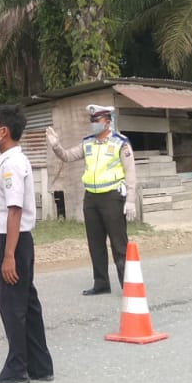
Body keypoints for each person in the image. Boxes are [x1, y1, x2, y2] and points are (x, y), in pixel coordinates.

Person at [0, 104, 53, 383]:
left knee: (13, 307)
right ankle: (40, 365)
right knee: (27, 304)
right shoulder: (12, 161)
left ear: (3, 131)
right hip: (13, 239)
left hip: (16, 241)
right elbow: (5, 215)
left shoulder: (11, 164)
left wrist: (8, 254)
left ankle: (16, 372)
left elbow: (14, 211)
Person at [46, 103, 138, 295]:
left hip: (112, 197)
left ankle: (128, 285)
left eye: (96, 120)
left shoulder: (121, 143)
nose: (93, 124)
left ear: (107, 122)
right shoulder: (87, 143)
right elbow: (68, 156)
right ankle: (101, 283)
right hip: (91, 198)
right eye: (92, 121)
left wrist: (130, 199)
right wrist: (56, 146)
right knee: (95, 243)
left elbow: (130, 172)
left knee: (119, 244)